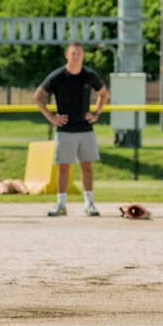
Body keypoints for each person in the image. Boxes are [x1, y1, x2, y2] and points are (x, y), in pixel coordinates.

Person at [33, 41, 109, 217]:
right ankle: (61, 204)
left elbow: (103, 94)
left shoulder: (89, 75)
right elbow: (38, 97)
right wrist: (52, 117)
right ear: (67, 55)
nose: (76, 56)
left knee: (87, 166)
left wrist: (96, 112)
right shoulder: (58, 75)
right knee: (64, 167)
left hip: (85, 128)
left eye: (79, 53)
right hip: (65, 129)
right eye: (73, 53)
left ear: (83, 55)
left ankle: (89, 203)